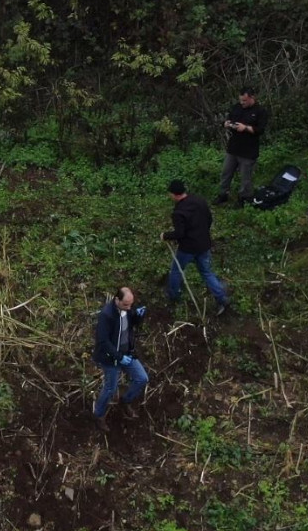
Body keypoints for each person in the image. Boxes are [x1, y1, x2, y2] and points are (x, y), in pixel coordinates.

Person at [161, 180, 231, 315]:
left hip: (187, 248)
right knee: (206, 272)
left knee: (176, 270)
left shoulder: (178, 212)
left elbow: (179, 233)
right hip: (204, 244)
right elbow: (209, 219)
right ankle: (221, 298)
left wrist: (165, 235)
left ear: (174, 195)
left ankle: (173, 295)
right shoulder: (200, 201)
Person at [92, 287, 149, 432]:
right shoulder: (107, 315)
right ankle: (98, 415)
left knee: (142, 378)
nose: (129, 308)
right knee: (110, 388)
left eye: (131, 305)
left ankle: (126, 401)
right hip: (110, 358)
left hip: (127, 354)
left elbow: (131, 324)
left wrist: (138, 316)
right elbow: (103, 342)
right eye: (126, 305)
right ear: (117, 300)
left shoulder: (127, 308)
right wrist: (118, 357)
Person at [216, 86, 269, 206]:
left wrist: (245, 128)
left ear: (252, 98)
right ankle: (223, 194)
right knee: (226, 172)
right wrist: (227, 123)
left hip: (248, 150)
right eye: (241, 100)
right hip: (233, 147)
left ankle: (244, 199)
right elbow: (229, 118)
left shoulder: (260, 111)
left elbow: (260, 130)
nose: (242, 103)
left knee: (245, 176)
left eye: (244, 100)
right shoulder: (237, 107)